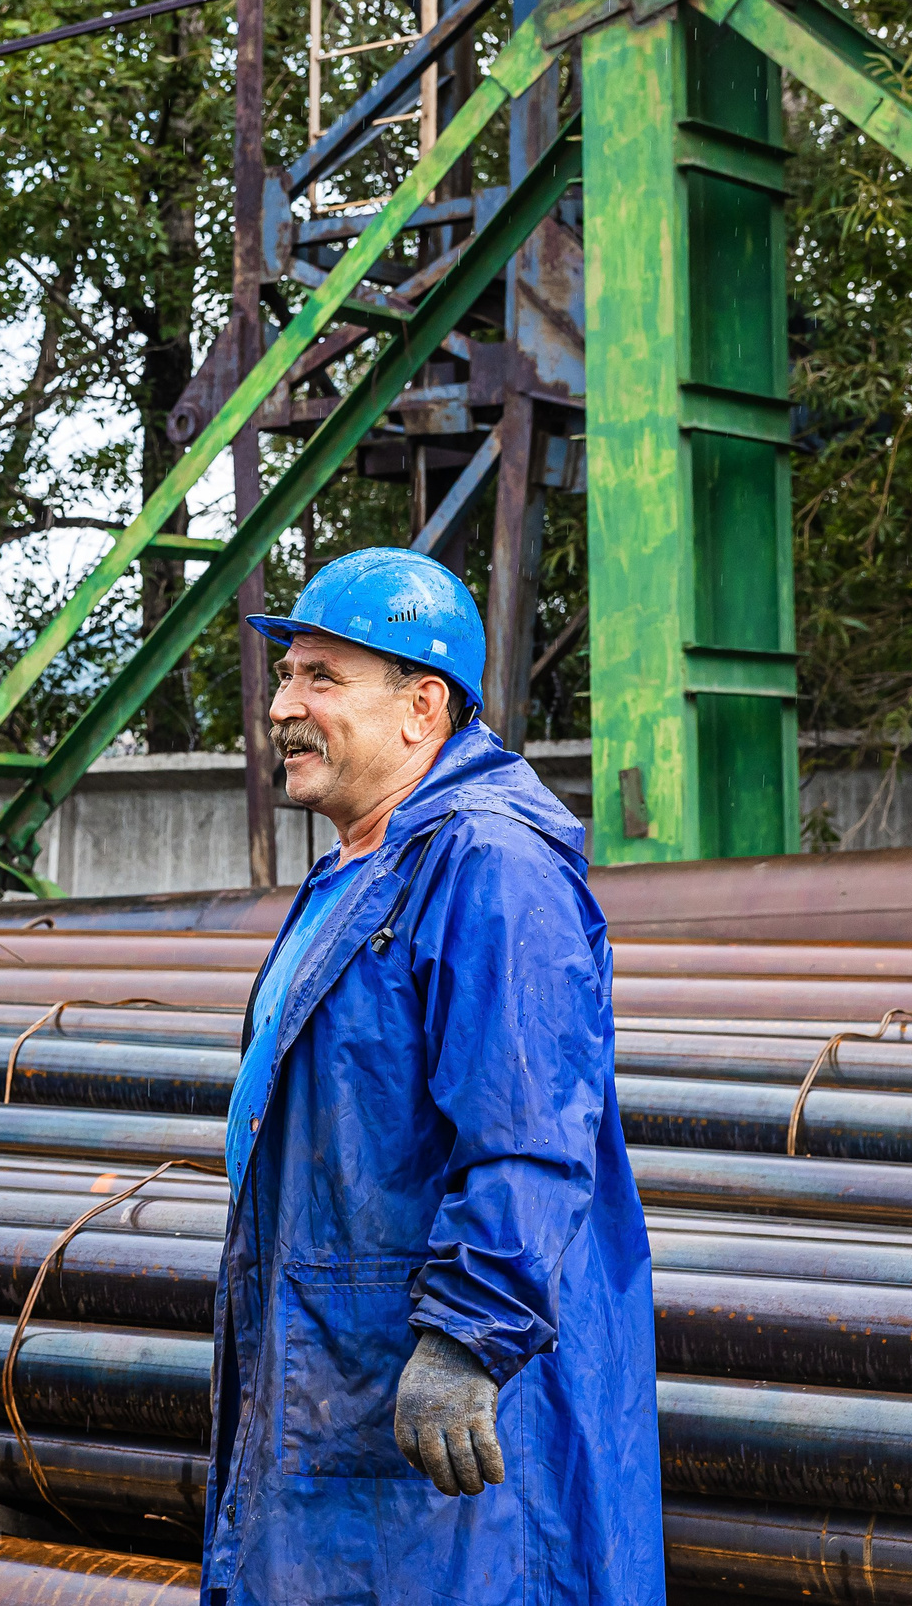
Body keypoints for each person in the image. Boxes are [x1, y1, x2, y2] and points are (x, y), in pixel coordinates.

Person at [205, 547, 660, 1604]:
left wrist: (467, 1335)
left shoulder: (488, 864)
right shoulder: (358, 868)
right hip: (335, 1373)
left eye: (322, 679)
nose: (283, 706)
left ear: (420, 706)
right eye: (286, 677)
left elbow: (527, 1128)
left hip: (438, 1402)